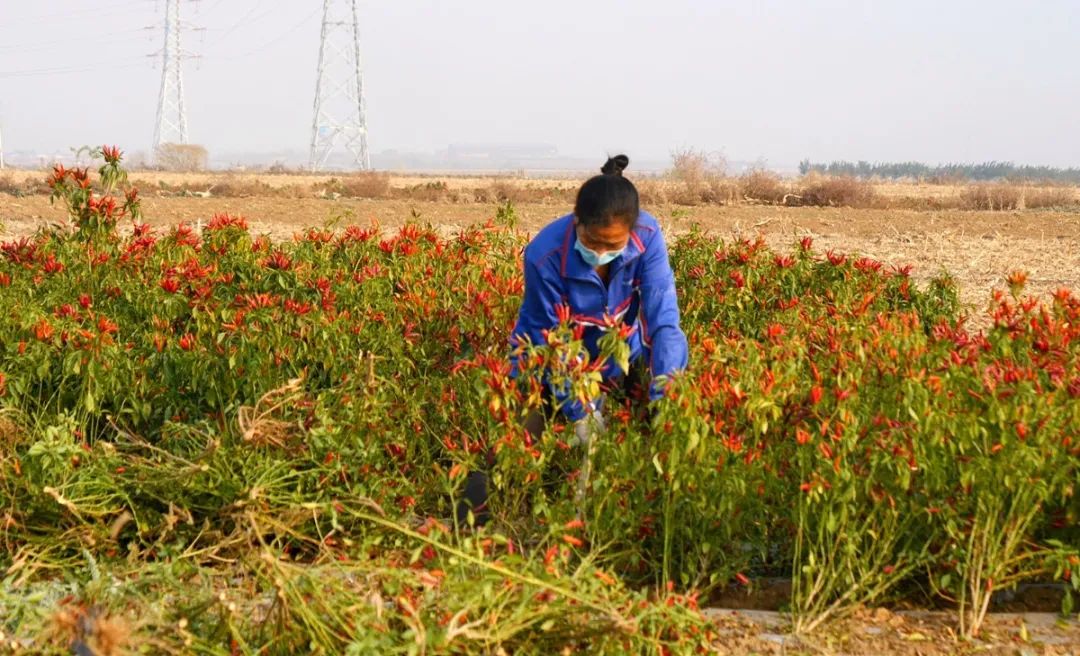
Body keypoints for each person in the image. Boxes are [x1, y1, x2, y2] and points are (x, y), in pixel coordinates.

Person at [456, 154, 690, 525]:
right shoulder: (545, 253)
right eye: (592, 242)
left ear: (631, 232)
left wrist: (667, 394)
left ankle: (644, 525)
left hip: (620, 357)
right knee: (513, 445)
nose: (600, 252)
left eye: (612, 244)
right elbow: (550, 338)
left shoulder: (648, 238)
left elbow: (664, 323)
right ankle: (471, 528)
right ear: (576, 222)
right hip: (547, 359)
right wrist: (584, 411)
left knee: (651, 444)